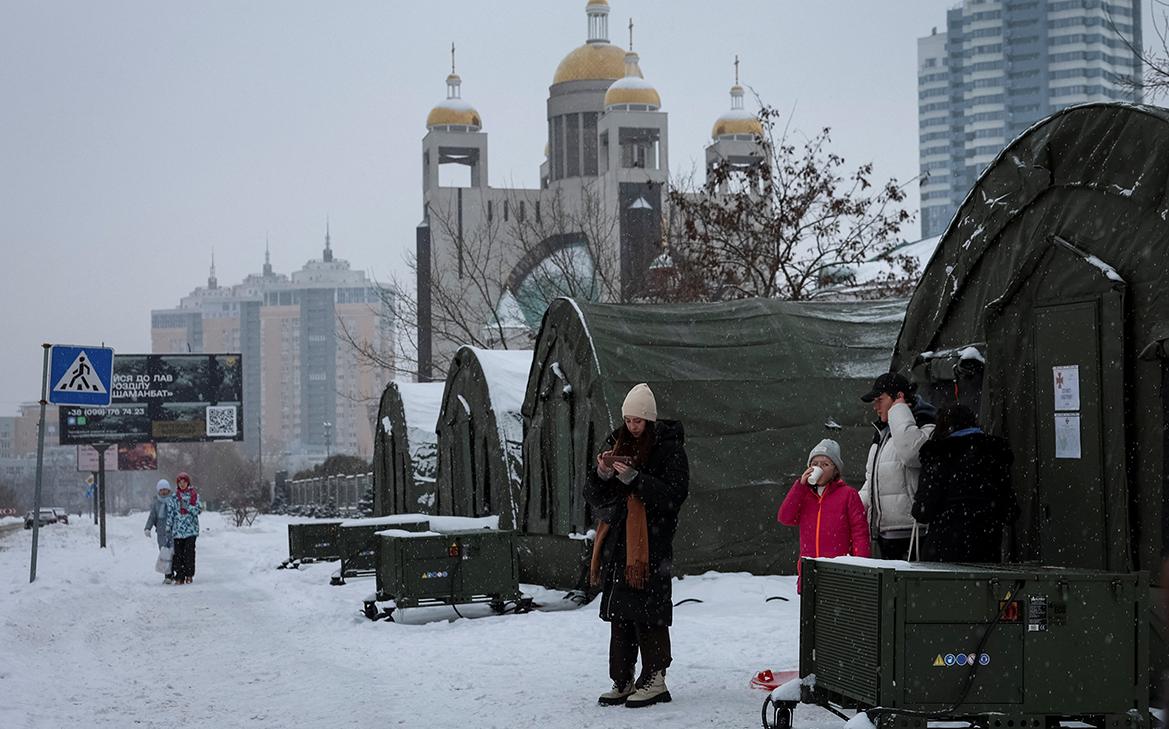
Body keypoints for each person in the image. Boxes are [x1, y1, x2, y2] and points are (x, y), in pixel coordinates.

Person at [585, 383, 689, 709]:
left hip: (651, 545)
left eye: (638, 421)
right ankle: (623, 678)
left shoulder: (668, 449)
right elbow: (597, 498)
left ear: (650, 420)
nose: (632, 426)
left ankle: (655, 678)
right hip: (620, 543)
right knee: (621, 615)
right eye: (628, 419)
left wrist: (636, 479)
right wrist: (602, 473)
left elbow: (674, 495)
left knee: (649, 613)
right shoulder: (616, 442)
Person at [912, 404, 1016, 563]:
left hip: (943, 550)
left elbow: (923, 511)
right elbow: (1009, 510)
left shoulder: (938, 453)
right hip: (986, 548)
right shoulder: (995, 453)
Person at [858, 372, 936, 560]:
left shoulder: (927, 426)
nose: (875, 407)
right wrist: (851, 506)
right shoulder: (882, 434)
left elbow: (912, 454)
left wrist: (898, 411)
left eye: (880, 400)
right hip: (884, 535)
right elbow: (872, 480)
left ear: (899, 397)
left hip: (916, 532)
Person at [777, 439, 870, 592]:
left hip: (839, 573)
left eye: (825, 464)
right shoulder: (804, 495)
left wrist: (861, 568)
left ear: (835, 470)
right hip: (809, 572)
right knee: (810, 615)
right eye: (815, 464)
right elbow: (785, 517)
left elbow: (860, 533)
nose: (818, 468)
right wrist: (800, 486)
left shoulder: (848, 494)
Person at [166, 472, 202, 584]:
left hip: (191, 530)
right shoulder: (174, 497)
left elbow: (198, 510)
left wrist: (189, 507)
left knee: (189, 553)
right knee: (178, 555)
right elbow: (170, 513)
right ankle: (179, 576)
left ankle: (189, 575)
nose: (182, 484)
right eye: (180, 482)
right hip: (178, 531)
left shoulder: (194, 495)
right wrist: (168, 525)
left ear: (188, 482)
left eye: (184, 482)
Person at [144, 479, 175, 584]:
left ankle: (174, 573)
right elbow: (152, 517)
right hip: (161, 533)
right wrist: (148, 528)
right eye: (161, 490)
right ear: (158, 491)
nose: (163, 492)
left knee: (174, 553)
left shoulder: (173, 501)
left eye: (165, 489)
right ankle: (168, 575)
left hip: (173, 532)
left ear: (169, 490)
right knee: (165, 554)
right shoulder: (156, 503)